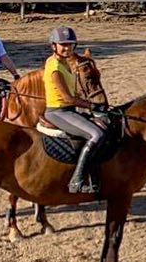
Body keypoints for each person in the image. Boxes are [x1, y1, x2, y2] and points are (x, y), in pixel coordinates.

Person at [42, 26, 107, 195]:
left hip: (68, 110)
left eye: (70, 45)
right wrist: (92, 106)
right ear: (53, 46)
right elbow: (67, 98)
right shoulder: (55, 66)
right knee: (97, 134)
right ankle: (76, 180)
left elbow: (74, 92)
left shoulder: (65, 63)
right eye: (63, 44)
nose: (67, 48)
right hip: (58, 111)